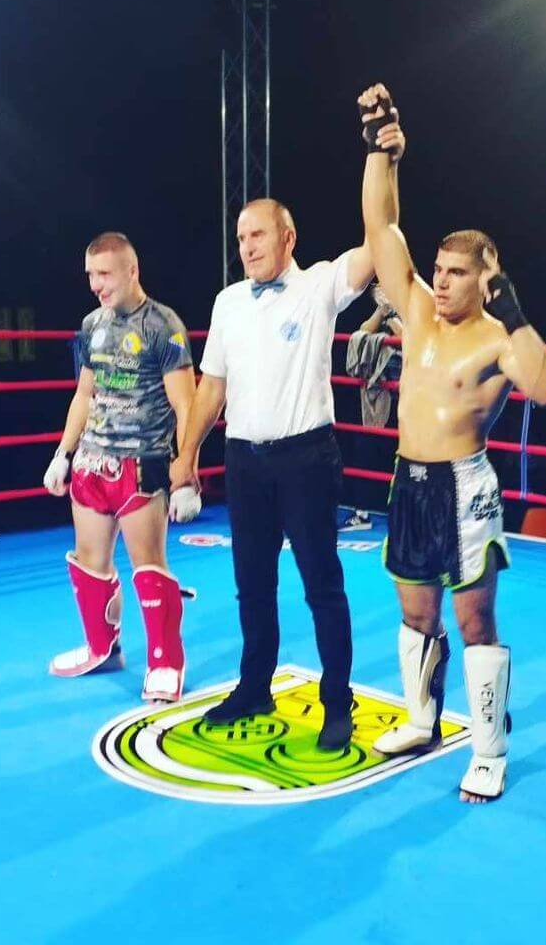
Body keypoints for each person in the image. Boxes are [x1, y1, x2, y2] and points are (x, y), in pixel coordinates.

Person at [358, 83, 546, 802]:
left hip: (465, 487)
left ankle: (488, 749)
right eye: (438, 270)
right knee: (415, 613)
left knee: (474, 619)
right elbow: (382, 227)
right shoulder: (417, 310)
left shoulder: (498, 338)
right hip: (409, 479)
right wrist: (381, 150)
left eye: (455, 273)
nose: (440, 282)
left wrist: (514, 311)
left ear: (486, 278)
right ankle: (422, 720)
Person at [171, 190, 402, 750]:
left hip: (306, 458)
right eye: (241, 237)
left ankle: (337, 700)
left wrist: (382, 165)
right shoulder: (228, 302)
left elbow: (380, 241)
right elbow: (212, 388)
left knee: (322, 583)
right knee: (252, 584)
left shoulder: (319, 285)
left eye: (258, 234)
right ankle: (255, 686)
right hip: (244, 460)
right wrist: (185, 457)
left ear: (287, 238)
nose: (247, 247)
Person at [43, 232, 200, 703]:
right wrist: (63, 453)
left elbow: (186, 405)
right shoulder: (91, 324)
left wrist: (186, 473)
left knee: (149, 566)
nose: (96, 284)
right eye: (91, 275)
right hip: (92, 462)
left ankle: (166, 661)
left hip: (141, 464)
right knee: (89, 564)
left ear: (132, 271)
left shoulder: (163, 325)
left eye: (105, 274)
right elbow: (84, 395)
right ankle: (102, 648)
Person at [341, 284, 403, 532]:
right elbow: (362, 333)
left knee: (404, 461)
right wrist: (382, 310)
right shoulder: (383, 314)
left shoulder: (416, 310)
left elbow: (410, 340)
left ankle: (404, 515)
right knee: (365, 450)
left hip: (408, 402)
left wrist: (392, 314)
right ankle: (362, 514)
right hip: (380, 399)